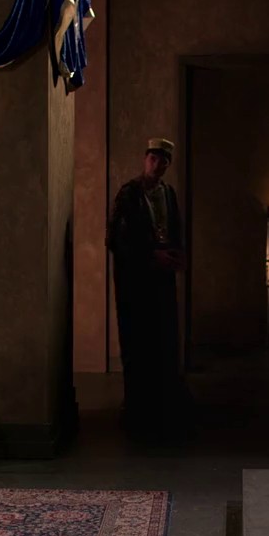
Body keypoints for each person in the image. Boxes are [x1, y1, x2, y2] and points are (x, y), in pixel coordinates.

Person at [106, 138, 191, 441]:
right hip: (137, 281)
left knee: (164, 339)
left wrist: (176, 255)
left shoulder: (168, 193)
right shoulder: (129, 193)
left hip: (162, 279)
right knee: (138, 341)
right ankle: (137, 408)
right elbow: (115, 238)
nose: (157, 165)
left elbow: (175, 229)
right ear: (145, 159)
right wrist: (151, 255)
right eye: (153, 158)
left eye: (163, 160)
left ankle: (164, 406)